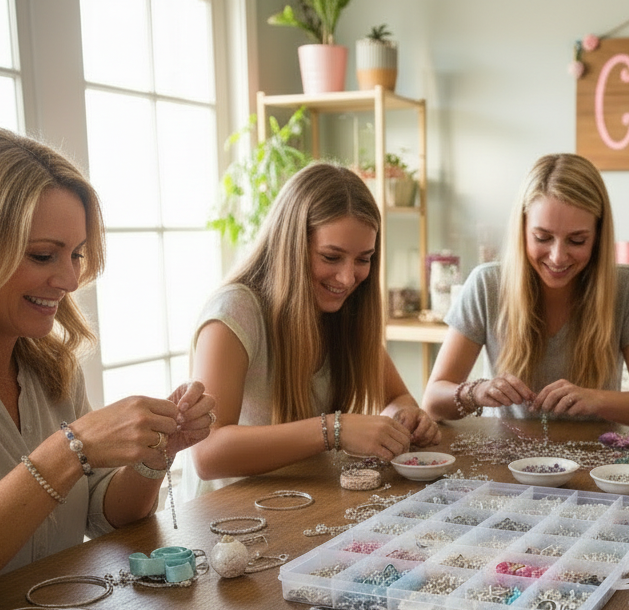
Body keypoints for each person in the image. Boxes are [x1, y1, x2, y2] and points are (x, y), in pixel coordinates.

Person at [0, 128, 216, 610]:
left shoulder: (49, 366)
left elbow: (100, 511)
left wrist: (157, 453)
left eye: (76, 254)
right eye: (44, 255)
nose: (70, 281)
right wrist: (71, 448)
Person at [182, 162, 439, 501]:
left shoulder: (346, 311)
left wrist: (402, 421)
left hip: (304, 507)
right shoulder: (234, 312)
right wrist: (334, 430)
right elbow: (208, 452)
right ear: (290, 245)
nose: (348, 278)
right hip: (225, 523)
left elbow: (395, 399)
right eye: (331, 257)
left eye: (364, 259)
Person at [421, 153, 629, 426]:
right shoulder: (487, 284)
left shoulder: (627, 287)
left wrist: (597, 400)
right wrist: (475, 392)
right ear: (523, 229)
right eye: (542, 238)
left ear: (598, 237)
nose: (557, 257)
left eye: (577, 240)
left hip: (598, 463)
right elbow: (433, 401)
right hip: (505, 461)